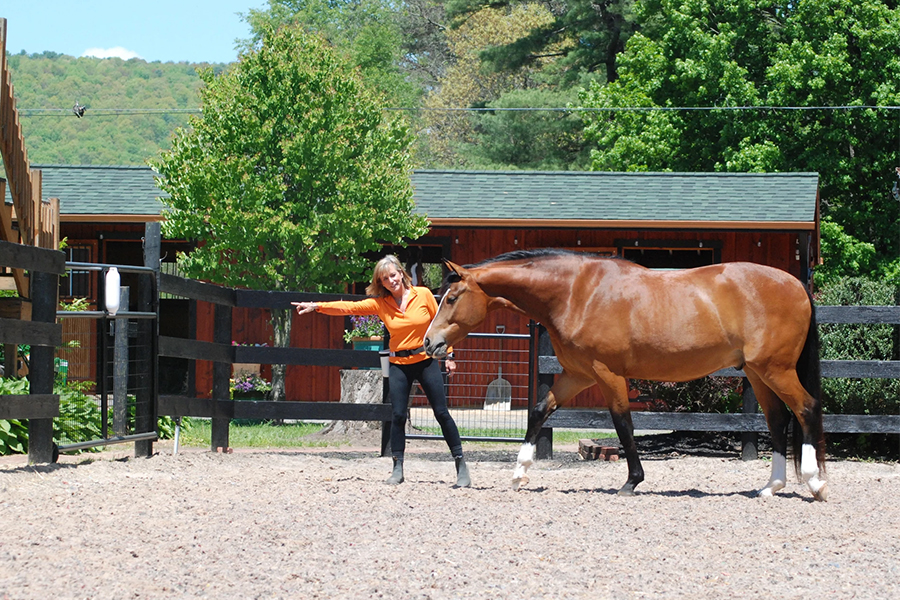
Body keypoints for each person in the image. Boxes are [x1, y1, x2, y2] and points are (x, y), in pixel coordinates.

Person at [292, 255, 471, 487]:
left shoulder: (424, 294)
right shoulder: (381, 303)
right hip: (398, 364)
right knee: (397, 416)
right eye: (385, 279)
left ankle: (460, 464)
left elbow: (441, 323)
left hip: (425, 361)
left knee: (441, 413)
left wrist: (450, 354)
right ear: (381, 282)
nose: (390, 281)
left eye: (393, 275)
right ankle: (397, 467)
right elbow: (349, 307)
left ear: (401, 273)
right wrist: (317, 306)